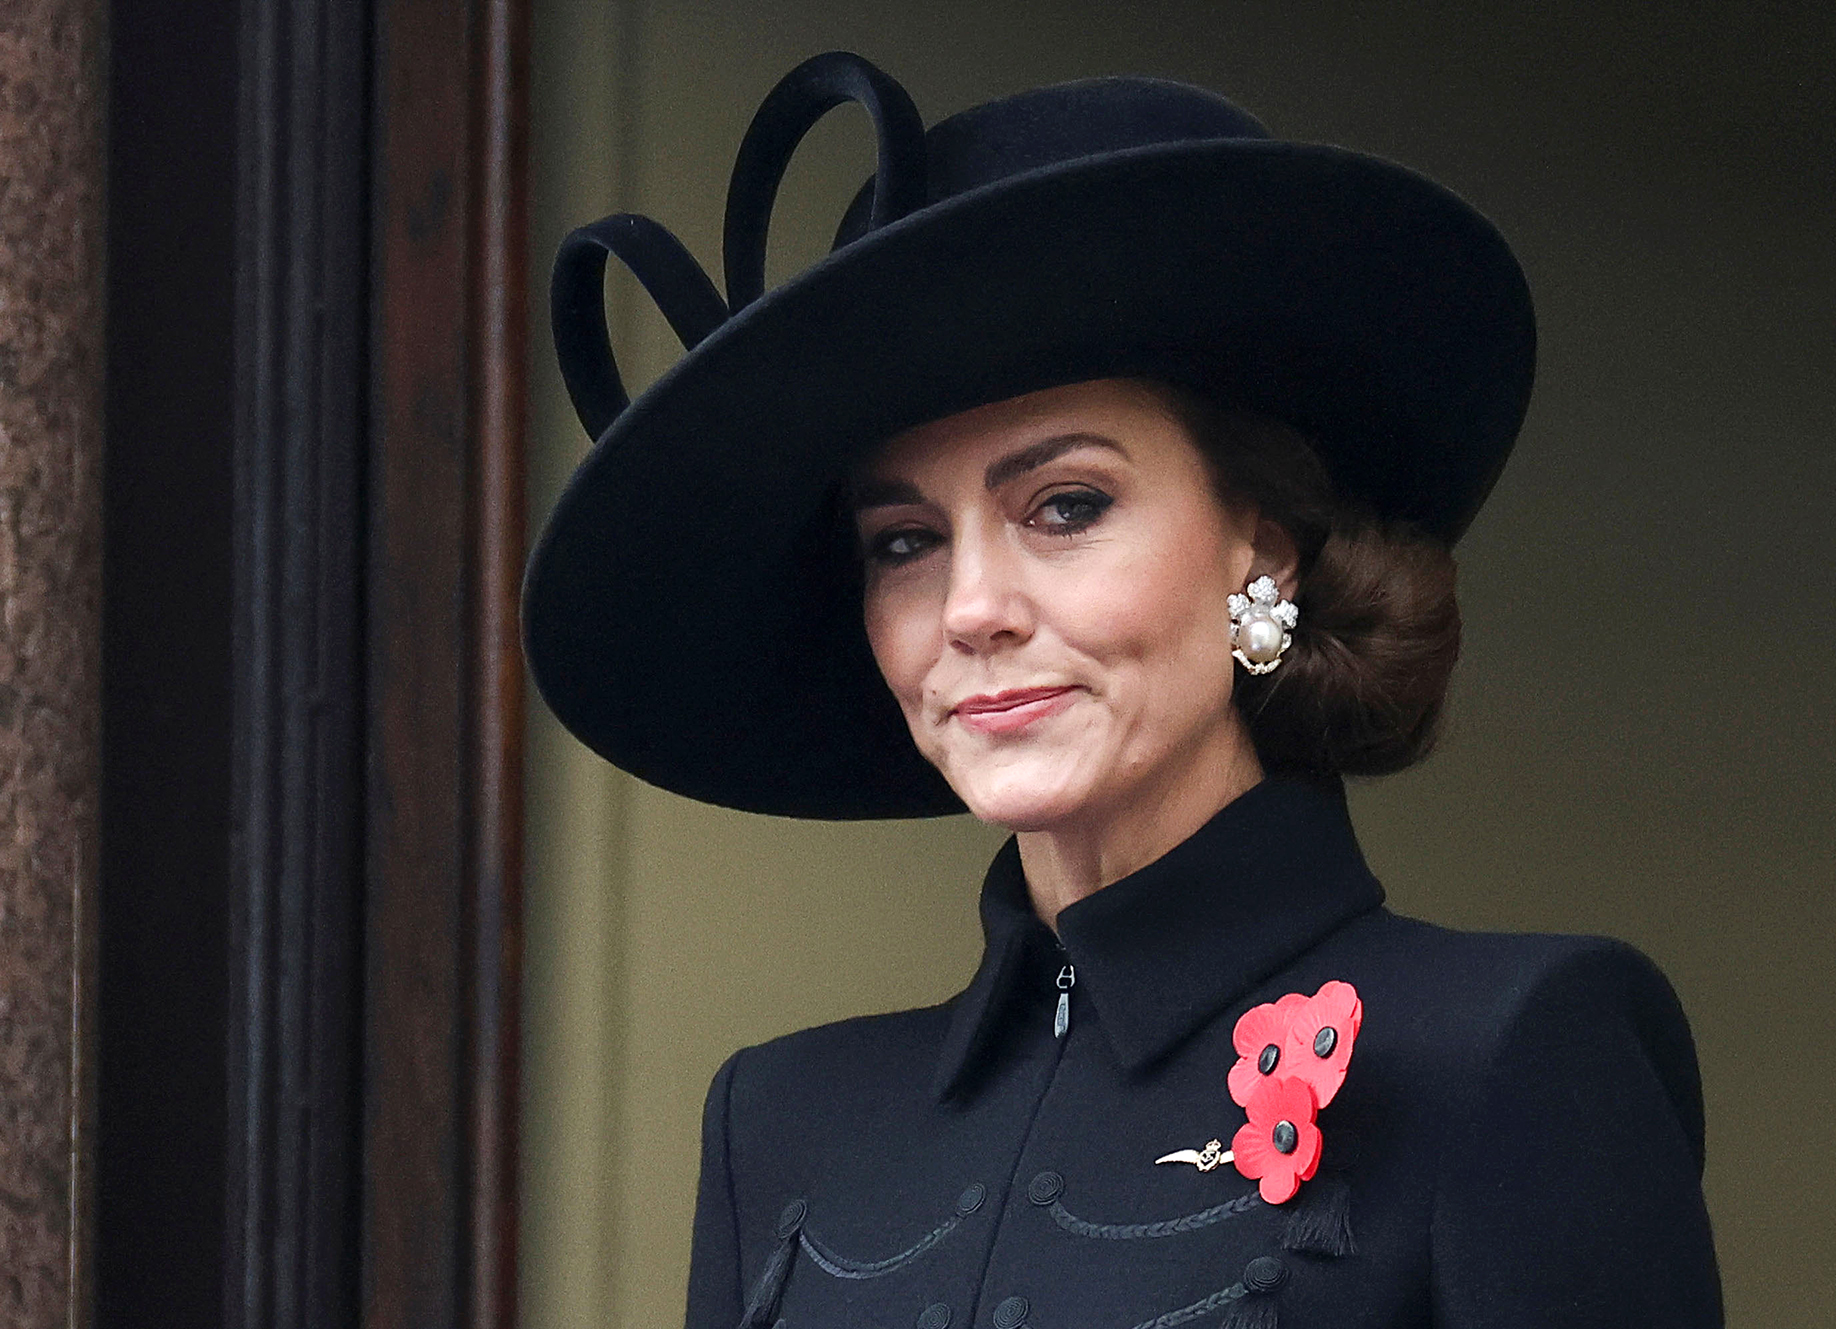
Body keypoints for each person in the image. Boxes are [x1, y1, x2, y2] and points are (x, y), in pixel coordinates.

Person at [526, 51, 1724, 1329]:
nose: (971, 608)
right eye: (902, 542)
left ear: (1257, 544)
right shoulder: (775, 1124)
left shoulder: (1509, 1054)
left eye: (1066, 506)